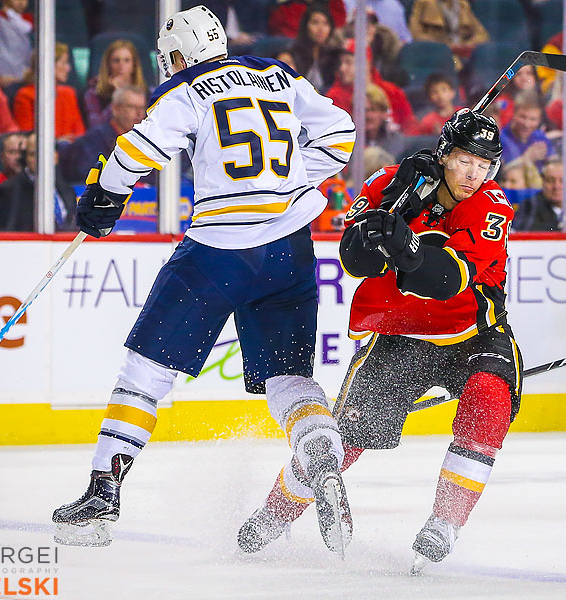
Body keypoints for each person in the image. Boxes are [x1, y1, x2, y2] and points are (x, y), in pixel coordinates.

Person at [51, 6, 356, 555]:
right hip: (290, 246)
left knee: (145, 371)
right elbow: (340, 131)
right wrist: (286, 181)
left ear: (179, 54)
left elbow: (137, 151)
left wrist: (106, 197)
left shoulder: (188, 89)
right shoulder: (279, 74)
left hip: (219, 252)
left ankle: (102, 493)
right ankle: (322, 454)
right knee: (290, 378)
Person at [236, 109, 523, 572]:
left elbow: (447, 280)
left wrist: (403, 243)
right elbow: (355, 262)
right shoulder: (391, 182)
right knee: (344, 436)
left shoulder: (492, 205)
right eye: (466, 160)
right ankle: (275, 513)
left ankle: (444, 524)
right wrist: (393, 206)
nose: (475, 174)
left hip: (474, 332)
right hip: (398, 333)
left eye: (485, 164)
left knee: (488, 402)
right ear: (444, 153)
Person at [0, 132, 76, 231]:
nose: (41, 158)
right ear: (25, 158)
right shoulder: (8, 190)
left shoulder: (68, 191)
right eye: (33, 154)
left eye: (46, 152)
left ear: (56, 156)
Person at [59, 86, 150, 185]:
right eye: (132, 107)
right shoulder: (96, 139)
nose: (139, 113)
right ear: (115, 109)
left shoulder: (144, 141)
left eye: (142, 108)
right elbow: (89, 175)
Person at [13, 42, 86, 143]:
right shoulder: (25, 95)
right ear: (48, 64)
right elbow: (26, 134)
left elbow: (79, 132)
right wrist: (56, 141)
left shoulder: (69, 93)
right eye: (64, 63)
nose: (68, 68)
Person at [84, 39, 148, 130]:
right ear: (108, 65)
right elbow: (95, 126)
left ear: (134, 66)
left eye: (126, 60)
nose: (121, 65)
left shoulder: (148, 93)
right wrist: (118, 94)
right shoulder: (94, 93)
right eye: (116, 61)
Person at [408, 0, 489, 67]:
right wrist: (444, 47)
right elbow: (415, 34)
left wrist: (466, 45)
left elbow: (482, 34)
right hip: (436, 56)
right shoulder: (423, 2)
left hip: (463, 55)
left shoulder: (463, 4)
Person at [290, 6, 343, 93]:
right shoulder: (293, 54)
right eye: (315, 23)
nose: (321, 29)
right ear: (305, 26)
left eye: (326, 23)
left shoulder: (334, 57)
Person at [499, 92, 556, 170]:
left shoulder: (539, 137)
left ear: (539, 120)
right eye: (523, 117)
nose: (527, 124)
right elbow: (502, 173)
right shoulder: (501, 139)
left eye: (533, 119)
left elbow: (553, 162)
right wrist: (526, 159)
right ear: (514, 114)